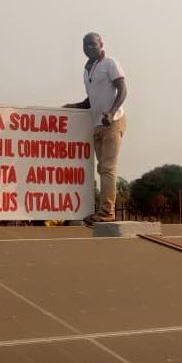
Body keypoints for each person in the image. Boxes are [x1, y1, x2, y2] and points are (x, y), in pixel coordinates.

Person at [64, 32, 128, 223]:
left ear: (101, 44)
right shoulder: (87, 71)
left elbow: (123, 89)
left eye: (93, 44)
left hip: (113, 121)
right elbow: (91, 100)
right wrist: (73, 106)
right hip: (98, 125)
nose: (89, 47)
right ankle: (103, 211)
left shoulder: (110, 63)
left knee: (107, 168)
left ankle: (107, 213)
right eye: (86, 45)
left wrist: (111, 112)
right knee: (102, 168)